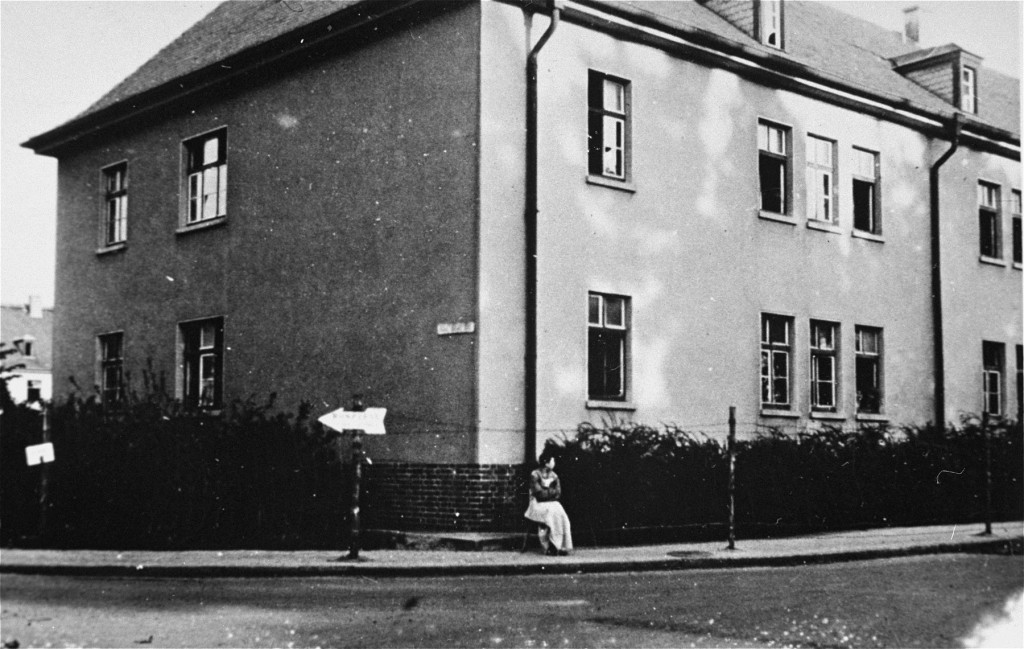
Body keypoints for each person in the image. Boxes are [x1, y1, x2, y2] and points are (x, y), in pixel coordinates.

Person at [524, 448, 573, 556]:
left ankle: (560, 545)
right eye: (552, 461)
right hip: (537, 504)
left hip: (551, 503)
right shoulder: (535, 475)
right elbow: (539, 494)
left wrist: (547, 491)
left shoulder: (554, 475)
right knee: (549, 514)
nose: (553, 463)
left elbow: (558, 493)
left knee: (561, 513)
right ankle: (549, 546)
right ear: (546, 463)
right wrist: (551, 491)